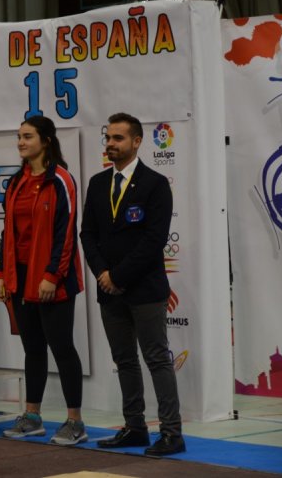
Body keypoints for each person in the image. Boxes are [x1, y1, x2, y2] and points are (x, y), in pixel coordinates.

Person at [80, 112, 185, 456]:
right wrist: (102, 273)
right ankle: (135, 427)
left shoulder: (155, 184)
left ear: (137, 142)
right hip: (109, 290)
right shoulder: (98, 183)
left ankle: (171, 433)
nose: (110, 143)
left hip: (145, 289)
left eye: (118, 138)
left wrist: (118, 276)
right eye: (108, 137)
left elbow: (154, 240)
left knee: (157, 359)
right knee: (124, 360)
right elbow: (88, 234)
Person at [0, 116, 86, 444]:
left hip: (52, 279)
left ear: (46, 140)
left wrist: (51, 275)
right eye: (19, 136)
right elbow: (8, 231)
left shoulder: (61, 179)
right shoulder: (16, 181)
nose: (21, 142)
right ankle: (32, 416)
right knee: (33, 348)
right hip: (20, 277)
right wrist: (1, 272)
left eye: (28, 136)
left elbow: (66, 232)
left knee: (62, 347)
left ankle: (75, 422)